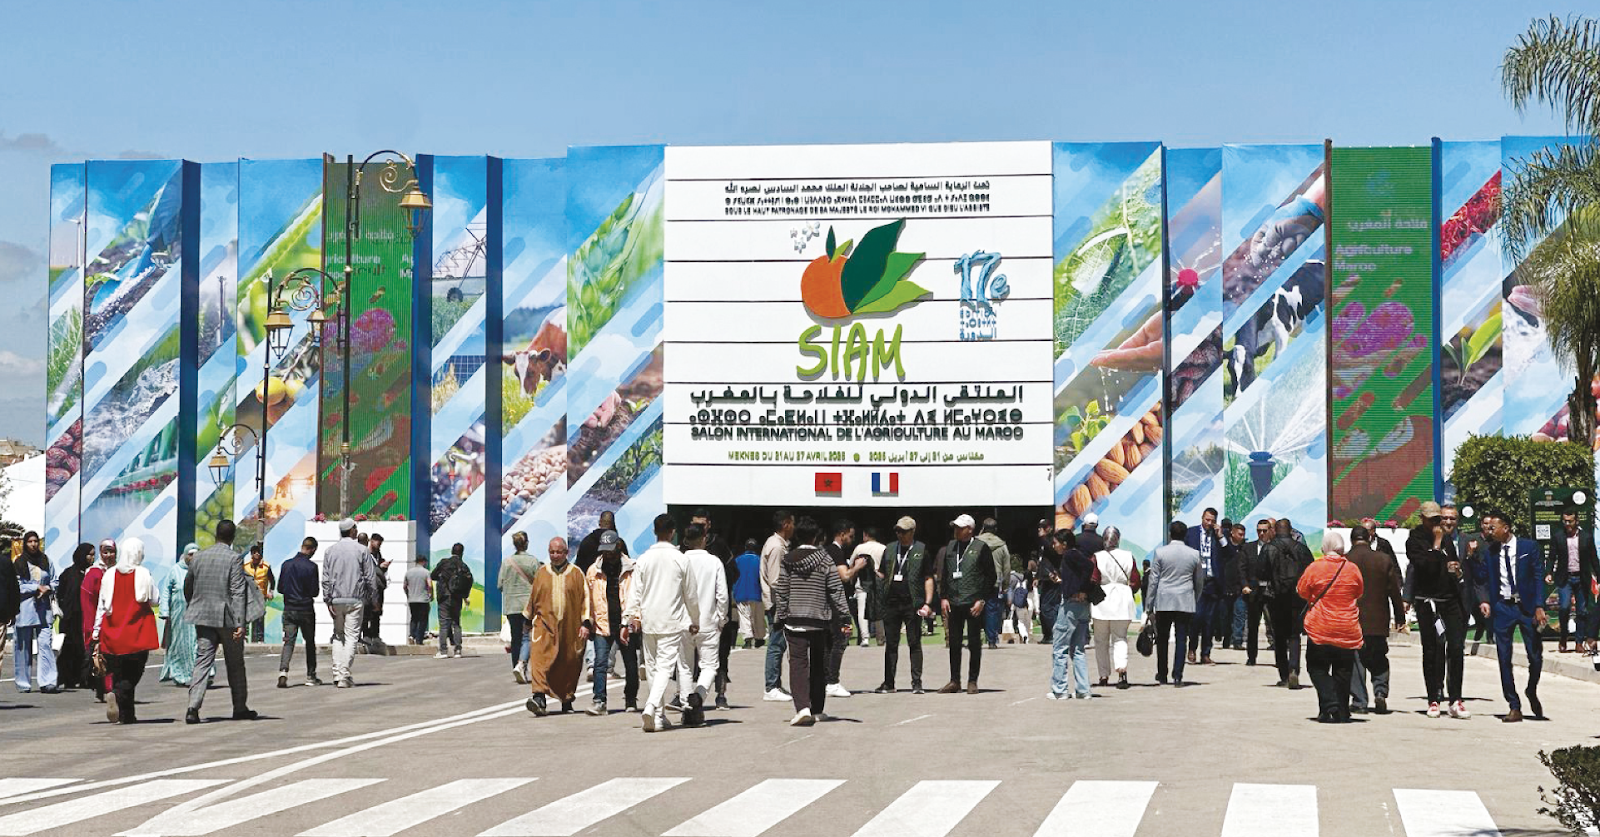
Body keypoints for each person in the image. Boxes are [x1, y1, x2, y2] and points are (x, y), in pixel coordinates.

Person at [774, 516, 851, 725]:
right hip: (819, 620)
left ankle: (802, 708)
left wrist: (780, 616)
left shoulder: (788, 559)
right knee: (818, 664)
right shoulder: (825, 559)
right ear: (816, 537)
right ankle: (817, 708)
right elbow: (835, 590)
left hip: (794, 620)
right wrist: (845, 616)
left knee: (798, 664)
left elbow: (782, 590)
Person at [622, 514, 694, 733]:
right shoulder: (681, 559)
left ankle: (660, 717)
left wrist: (627, 620)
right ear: (673, 532)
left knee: (653, 668)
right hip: (671, 621)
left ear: (654, 531)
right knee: (664, 668)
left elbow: (634, 593)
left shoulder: (644, 559)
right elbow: (691, 594)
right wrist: (695, 619)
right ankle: (652, 706)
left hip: (649, 621)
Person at [1474, 509, 1547, 722]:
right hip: (1503, 608)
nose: (1489, 531)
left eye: (1493, 527)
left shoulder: (1528, 547)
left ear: (1505, 528)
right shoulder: (1490, 551)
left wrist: (1539, 605)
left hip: (1526, 607)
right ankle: (1514, 705)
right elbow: (1481, 577)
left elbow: (1538, 576)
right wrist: (1471, 558)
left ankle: (1531, 689)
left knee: (1535, 655)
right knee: (1504, 657)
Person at [184, 520, 256, 724]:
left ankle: (192, 707)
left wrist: (194, 604)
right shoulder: (234, 558)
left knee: (202, 661)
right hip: (227, 619)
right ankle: (239, 707)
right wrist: (240, 623)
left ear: (216, 534)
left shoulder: (199, 557)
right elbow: (237, 591)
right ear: (232, 537)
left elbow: (188, 585)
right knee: (235, 664)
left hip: (203, 616)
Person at [1404, 501, 1469, 718]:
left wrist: (1456, 570)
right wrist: (1437, 543)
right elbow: (1426, 566)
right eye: (1432, 519)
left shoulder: (1447, 539)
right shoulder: (1414, 541)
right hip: (1428, 602)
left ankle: (1456, 698)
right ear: (1422, 518)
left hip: (1449, 600)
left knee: (1456, 648)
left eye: (1437, 519)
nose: (1436, 523)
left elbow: (1453, 565)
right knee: (1432, 650)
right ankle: (1433, 698)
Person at [90, 537, 160, 723]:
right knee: (134, 673)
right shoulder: (143, 573)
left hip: (113, 631)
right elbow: (155, 600)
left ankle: (126, 714)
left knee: (119, 672)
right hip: (137, 632)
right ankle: (116, 693)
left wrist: (96, 631)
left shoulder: (109, 575)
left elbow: (102, 606)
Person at [1298, 530, 1364, 723]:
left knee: (1317, 668)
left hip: (1320, 627)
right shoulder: (1353, 569)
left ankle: (1330, 702)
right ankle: (1340, 711)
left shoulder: (1315, 567)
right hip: (1347, 626)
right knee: (1343, 671)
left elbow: (1302, 590)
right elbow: (1359, 592)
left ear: (1324, 548)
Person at [525, 537, 588, 716]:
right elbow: (533, 597)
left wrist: (585, 623)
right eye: (552, 552)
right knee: (539, 658)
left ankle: (566, 699)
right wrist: (527, 619)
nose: (555, 555)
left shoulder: (576, 573)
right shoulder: (541, 573)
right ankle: (539, 697)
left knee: (568, 662)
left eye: (558, 552)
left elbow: (586, 599)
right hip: (544, 626)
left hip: (569, 628)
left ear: (566, 553)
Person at [1345, 526, 1403, 714]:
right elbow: (1394, 591)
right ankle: (1380, 692)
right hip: (1378, 619)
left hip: (1353, 619)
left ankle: (1360, 701)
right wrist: (1400, 616)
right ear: (1369, 539)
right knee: (1379, 657)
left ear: (1352, 540)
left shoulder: (1345, 561)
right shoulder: (1383, 559)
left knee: (1356, 660)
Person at [873, 517, 933, 694]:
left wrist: (927, 603)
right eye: (898, 531)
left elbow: (928, 578)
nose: (900, 534)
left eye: (904, 531)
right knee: (891, 644)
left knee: (914, 642)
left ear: (912, 531)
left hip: (912, 603)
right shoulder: (890, 549)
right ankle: (889, 683)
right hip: (891, 602)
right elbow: (882, 573)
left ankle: (917, 683)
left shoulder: (921, 550)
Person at [938, 513, 996, 694]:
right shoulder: (950, 547)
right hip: (954, 602)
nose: (956, 530)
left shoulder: (981, 548)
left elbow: (991, 576)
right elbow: (945, 575)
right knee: (954, 643)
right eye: (955, 527)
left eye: (960, 528)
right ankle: (954, 680)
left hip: (973, 603)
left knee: (974, 642)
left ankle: (972, 680)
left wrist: (982, 599)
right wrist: (944, 597)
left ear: (970, 530)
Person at [584, 530, 639, 714]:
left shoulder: (632, 568)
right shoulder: (593, 570)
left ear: (618, 547)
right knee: (600, 663)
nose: (607, 555)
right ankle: (599, 701)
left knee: (631, 664)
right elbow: (588, 599)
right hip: (602, 623)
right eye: (604, 551)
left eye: (611, 551)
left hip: (625, 623)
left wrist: (636, 619)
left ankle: (630, 699)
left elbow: (638, 596)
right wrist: (587, 621)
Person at [692, 510, 740, 708]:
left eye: (701, 525)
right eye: (695, 525)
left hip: (715, 611)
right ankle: (684, 695)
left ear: (709, 525)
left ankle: (720, 695)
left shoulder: (718, 546)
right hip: (692, 613)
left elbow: (733, 572)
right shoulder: (686, 548)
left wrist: (718, 596)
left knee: (720, 655)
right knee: (686, 658)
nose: (698, 530)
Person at [681, 524, 729, 725]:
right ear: (704, 538)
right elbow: (722, 595)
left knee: (684, 667)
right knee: (709, 666)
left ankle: (687, 707)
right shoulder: (714, 562)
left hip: (684, 622)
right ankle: (698, 697)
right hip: (708, 622)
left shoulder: (680, 560)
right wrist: (722, 618)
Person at [1148, 521, 1203, 686]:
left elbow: (1153, 580)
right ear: (1185, 535)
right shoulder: (1194, 554)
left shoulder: (1160, 553)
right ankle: (1178, 675)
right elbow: (1199, 581)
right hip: (1185, 600)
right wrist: (1195, 598)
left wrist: (1149, 604)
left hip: (1164, 600)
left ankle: (1162, 674)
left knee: (1162, 638)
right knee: (1181, 638)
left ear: (1170, 534)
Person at [322, 519, 375, 688]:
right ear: (352, 530)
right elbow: (370, 577)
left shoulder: (330, 551)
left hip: (336, 599)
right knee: (352, 636)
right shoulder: (362, 550)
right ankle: (344, 674)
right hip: (355, 599)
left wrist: (327, 599)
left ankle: (337, 673)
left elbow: (325, 578)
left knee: (338, 635)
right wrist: (373, 598)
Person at [1046, 529, 1096, 699]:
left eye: (1056, 543)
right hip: (1082, 606)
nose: (1054, 546)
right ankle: (1083, 689)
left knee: (1060, 647)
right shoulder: (1075, 555)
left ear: (1064, 544)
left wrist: (1080, 589)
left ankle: (1059, 689)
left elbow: (1088, 567)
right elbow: (1080, 573)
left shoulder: (1070, 555)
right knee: (1078, 649)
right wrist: (1063, 581)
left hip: (1071, 605)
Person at [1265, 518, 1313, 688]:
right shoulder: (1301, 549)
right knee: (1294, 635)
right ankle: (1294, 669)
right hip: (1297, 598)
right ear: (1291, 530)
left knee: (1279, 636)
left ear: (1274, 530)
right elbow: (1311, 572)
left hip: (1276, 597)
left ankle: (1284, 675)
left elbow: (1260, 571)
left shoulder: (1269, 548)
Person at [1091, 526, 1138, 690]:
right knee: (1120, 638)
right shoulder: (1128, 556)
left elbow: (1094, 579)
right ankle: (1122, 671)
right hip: (1122, 599)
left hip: (1102, 600)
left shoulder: (1097, 557)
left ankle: (1103, 675)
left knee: (1100, 640)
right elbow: (1135, 581)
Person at [13, 531, 59, 694]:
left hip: (43, 610)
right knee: (23, 647)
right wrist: (35, 587)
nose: (33, 544)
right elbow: (17, 585)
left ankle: (48, 681)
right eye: (30, 541)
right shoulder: (19, 562)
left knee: (45, 644)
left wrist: (48, 588)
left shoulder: (46, 560)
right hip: (25, 610)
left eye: (35, 541)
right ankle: (23, 683)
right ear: (25, 543)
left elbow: (55, 580)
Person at [822, 518, 860, 697]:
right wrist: (857, 567)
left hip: (828, 604)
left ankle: (826, 680)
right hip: (837, 605)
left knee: (829, 644)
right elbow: (844, 576)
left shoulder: (826, 551)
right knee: (840, 641)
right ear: (842, 534)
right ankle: (832, 681)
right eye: (850, 536)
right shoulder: (835, 551)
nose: (852, 540)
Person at [1549, 511, 1597, 653]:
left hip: (1581, 578)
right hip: (1565, 578)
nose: (1567, 524)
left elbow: (1593, 558)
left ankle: (1579, 642)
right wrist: (1549, 572)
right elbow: (1551, 557)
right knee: (1564, 607)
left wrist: (1598, 576)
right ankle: (1563, 636)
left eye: (1570, 521)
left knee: (1582, 610)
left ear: (1577, 521)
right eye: (1565, 521)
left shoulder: (1586, 537)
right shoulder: (1558, 537)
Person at [277, 536, 321, 689]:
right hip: (305, 609)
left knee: (288, 641)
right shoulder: (312, 567)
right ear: (312, 549)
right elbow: (314, 592)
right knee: (309, 642)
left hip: (289, 608)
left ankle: (283, 672)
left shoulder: (286, 564)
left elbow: (280, 588)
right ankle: (311, 675)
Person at [499, 531, 543, 684]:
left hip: (511, 606)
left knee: (516, 638)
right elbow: (540, 583)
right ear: (527, 543)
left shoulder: (507, 562)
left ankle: (516, 668)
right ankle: (522, 665)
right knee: (527, 637)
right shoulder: (533, 561)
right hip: (528, 606)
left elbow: (500, 584)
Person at [761, 510, 794, 702]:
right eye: (792, 523)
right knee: (776, 644)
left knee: (779, 644)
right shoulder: (777, 547)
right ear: (785, 524)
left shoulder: (776, 544)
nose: (794, 527)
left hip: (776, 601)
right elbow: (776, 580)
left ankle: (776, 684)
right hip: (776, 603)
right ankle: (771, 686)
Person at [1185, 508, 1222, 665]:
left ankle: (1206, 653)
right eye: (1207, 520)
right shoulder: (1191, 533)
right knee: (1197, 617)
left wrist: (1220, 537)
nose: (1209, 523)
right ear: (1202, 518)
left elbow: (1229, 553)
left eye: (1212, 521)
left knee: (1210, 620)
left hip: (1213, 582)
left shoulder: (1218, 535)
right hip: (1197, 581)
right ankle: (1192, 648)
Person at [55, 543, 94, 690]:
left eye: (93, 554)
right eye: (89, 554)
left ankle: (83, 678)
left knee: (84, 649)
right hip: (71, 618)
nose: (92, 557)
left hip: (86, 617)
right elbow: (61, 595)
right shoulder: (69, 574)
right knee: (70, 648)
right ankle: (67, 678)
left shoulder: (91, 574)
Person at [82, 540, 115, 701]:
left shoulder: (118, 571)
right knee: (100, 656)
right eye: (105, 552)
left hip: (115, 621)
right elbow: (87, 602)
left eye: (111, 552)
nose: (108, 555)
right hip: (97, 621)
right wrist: (92, 626)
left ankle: (111, 688)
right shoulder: (93, 573)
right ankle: (105, 689)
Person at [1238, 519, 1274, 666]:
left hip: (1271, 591)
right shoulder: (1248, 548)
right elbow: (1242, 568)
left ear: (1270, 531)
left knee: (1274, 625)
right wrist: (1245, 585)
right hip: (1254, 592)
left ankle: (1280, 658)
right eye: (1259, 531)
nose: (1262, 533)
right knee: (1252, 626)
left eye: (1264, 530)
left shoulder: (1275, 547)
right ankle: (1251, 656)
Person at [431, 542, 474, 658]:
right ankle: (458, 650)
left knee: (444, 624)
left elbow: (433, 575)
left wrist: (442, 578)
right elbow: (468, 581)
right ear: (462, 553)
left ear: (452, 551)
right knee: (456, 623)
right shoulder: (463, 566)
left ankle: (443, 651)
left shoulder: (444, 563)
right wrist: (465, 596)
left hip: (444, 596)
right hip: (457, 597)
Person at [977, 518, 1013, 649]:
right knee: (992, 610)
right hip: (994, 582)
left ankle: (975, 638)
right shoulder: (1001, 545)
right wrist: (1006, 584)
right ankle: (991, 640)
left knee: (975, 609)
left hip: (977, 581)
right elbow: (1007, 567)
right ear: (996, 529)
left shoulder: (975, 543)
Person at [852, 527, 887, 648]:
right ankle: (880, 638)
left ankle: (865, 638)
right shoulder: (883, 548)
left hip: (862, 580)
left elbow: (851, 563)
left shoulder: (859, 548)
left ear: (865, 535)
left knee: (862, 609)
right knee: (879, 609)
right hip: (878, 581)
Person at [733, 539, 765, 649]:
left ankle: (747, 639)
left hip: (741, 591)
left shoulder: (738, 560)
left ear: (745, 547)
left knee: (744, 616)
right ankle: (759, 638)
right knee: (758, 616)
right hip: (756, 592)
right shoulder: (760, 560)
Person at [1217, 519, 1243, 650]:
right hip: (1225, 587)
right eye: (1239, 534)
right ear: (1232, 533)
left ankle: (1237, 640)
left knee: (1239, 614)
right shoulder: (1224, 547)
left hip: (1240, 587)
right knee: (1225, 616)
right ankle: (1226, 638)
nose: (1241, 537)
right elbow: (1228, 550)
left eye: (1243, 534)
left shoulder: (1244, 548)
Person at [360, 534, 390, 645]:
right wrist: (379, 567)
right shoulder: (366, 554)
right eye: (377, 543)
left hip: (379, 587)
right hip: (368, 589)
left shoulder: (378, 555)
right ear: (371, 541)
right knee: (366, 611)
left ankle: (375, 635)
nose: (379, 545)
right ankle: (366, 635)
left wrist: (384, 567)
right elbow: (367, 569)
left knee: (377, 612)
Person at [1034, 519, 1061, 643]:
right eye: (1040, 527)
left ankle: (1054, 634)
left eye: (1043, 527)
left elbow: (1052, 553)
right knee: (1043, 607)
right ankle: (1047, 634)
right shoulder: (1042, 543)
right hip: (1045, 577)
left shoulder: (1052, 541)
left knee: (1048, 607)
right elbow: (1041, 561)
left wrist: (1043, 537)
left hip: (1052, 577)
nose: (1040, 530)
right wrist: (1037, 577)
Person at [243, 543, 274, 643]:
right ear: (251, 554)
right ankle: (245, 636)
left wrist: (271, 592)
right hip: (249, 595)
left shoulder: (266, 567)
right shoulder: (246, 567)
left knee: (260, 617)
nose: (256, 554)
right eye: (254, 552)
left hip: (261, 595)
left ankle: (260, 638)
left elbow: (272, 580)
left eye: (258, 553)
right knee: (246, 615)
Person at [404, 554, 432, 646]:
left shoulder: (408, 572)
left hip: (412, 599)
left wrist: (408, 595)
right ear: (423, 562)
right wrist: (430, 594)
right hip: (423, 599)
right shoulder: (426, 572)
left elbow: (404, 586)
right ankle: (419, 639)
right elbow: (430, 585)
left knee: (414, 618)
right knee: (423, 620)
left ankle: (412, 635)